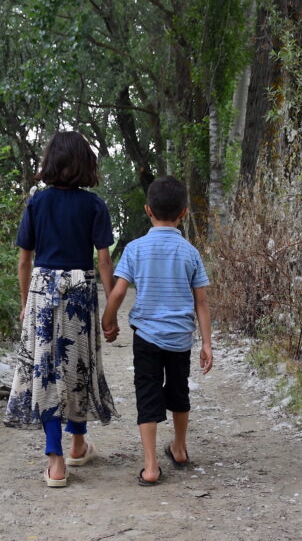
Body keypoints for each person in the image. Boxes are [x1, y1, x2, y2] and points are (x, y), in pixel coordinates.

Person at [4, 130, 119, 488]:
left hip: (42, 292)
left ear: (50, 162)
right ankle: (78, 444)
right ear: (86, 163)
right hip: (80, 293)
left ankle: (56, 462)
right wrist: (110, 310)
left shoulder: (36, 202)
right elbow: (103, 262)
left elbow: (24, 260)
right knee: (77, 367)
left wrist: (26, 305)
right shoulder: (94, 205)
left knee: (45, 371)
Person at [101, 175, 212, 486]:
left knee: (148, 393)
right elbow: (201, 301)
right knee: (179, 391)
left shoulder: (135, 249)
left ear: (148, 210)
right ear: (184, 212)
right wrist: (207, 344)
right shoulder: (190, 252)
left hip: (147, 337)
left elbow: (120, 292)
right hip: (179, 338)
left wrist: (107, 320)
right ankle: (178, 448)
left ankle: (150, 467)